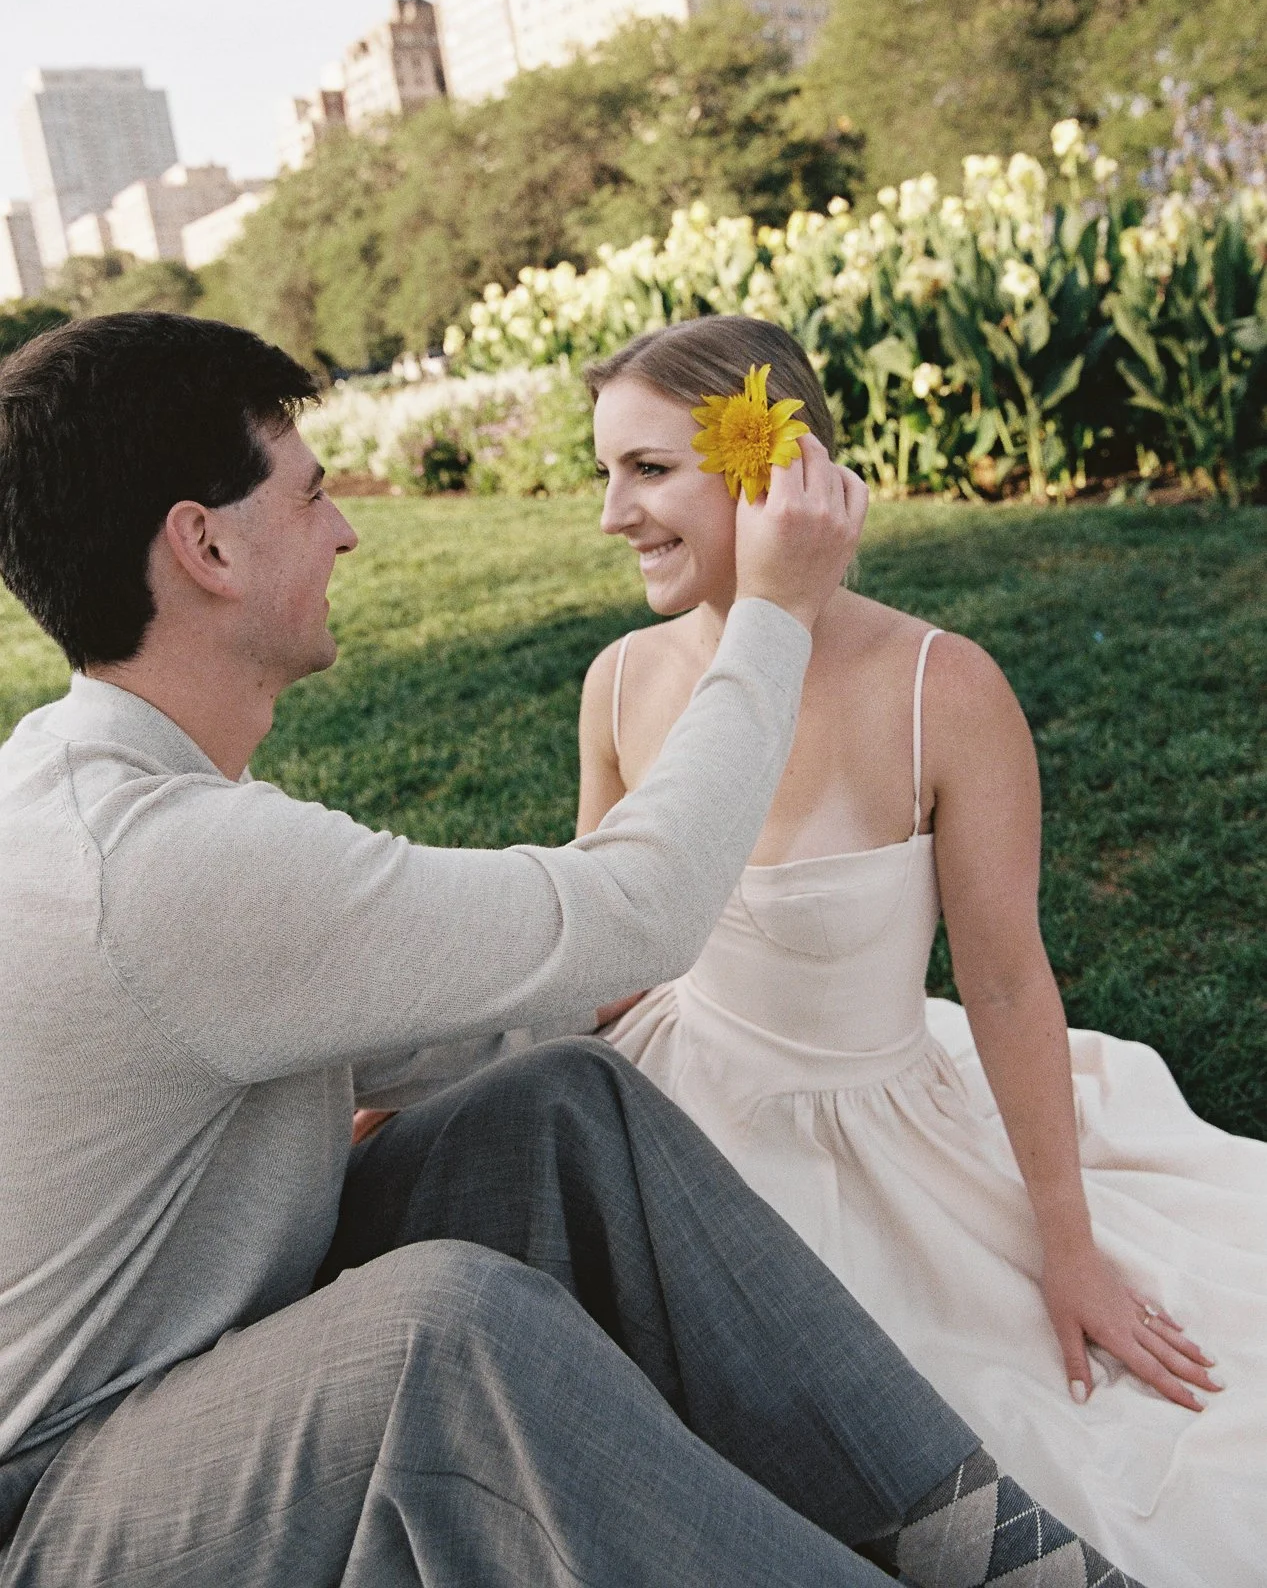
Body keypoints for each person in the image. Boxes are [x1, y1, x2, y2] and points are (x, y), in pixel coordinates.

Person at [0, 310, 1151, 1587]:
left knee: (563, 1105)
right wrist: (773, 613)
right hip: (68, 1491)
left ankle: (1006, 1560)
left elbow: (469, 1028)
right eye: (315, 493)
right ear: (204, 544)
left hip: (209, 1349)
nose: (345, 528)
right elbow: (642, 915)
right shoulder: (172, 862)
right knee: (438, 1335)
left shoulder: (111, 791)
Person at [580, 314, 1267, 1588]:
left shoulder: (938, 688)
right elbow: (606, 955)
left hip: (870, 1126)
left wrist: (1066, 1245)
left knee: (1021, 1424)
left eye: (649, 470)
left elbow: (1005, 981)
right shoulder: (620, 678)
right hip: (674, 1107)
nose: (613, 513)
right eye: (605, 472)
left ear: (771, 466)